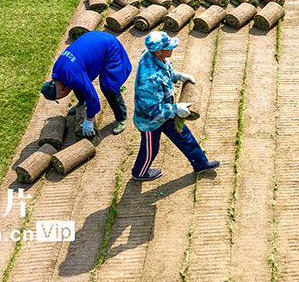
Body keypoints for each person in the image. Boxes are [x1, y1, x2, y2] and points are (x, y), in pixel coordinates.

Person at [130, 31, 220, 181]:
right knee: (151, 150)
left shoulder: (152, 54)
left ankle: (201, 164)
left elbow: (164, 71)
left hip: (166, 111)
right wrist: (175, 109)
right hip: (150, 121)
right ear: (159, 51)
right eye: (169, 47)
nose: (172, 48)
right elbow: (151, 109)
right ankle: (139, 172)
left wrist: (177, 76)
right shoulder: (149, 79)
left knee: (183, 135)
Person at [41, 31, 132, 138]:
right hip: (95, 39)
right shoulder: (58, 72)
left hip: (110, 47)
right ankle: (82, 102)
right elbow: (75, 83)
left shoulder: (72, 76)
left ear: (61, 91)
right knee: (77, 84)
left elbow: (92, 96)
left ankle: (122, 117)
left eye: (59, 98)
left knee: (109, 86)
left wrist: (89, 119)